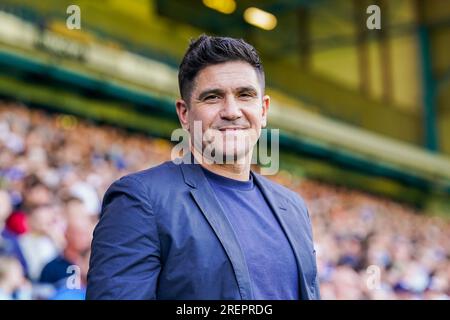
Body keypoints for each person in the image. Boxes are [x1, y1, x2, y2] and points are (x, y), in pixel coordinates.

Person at [87, 35, 320, 300]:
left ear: (263, 110)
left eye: (245, 95)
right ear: (184, 114)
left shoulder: (293, 207)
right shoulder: (140, 200)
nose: (232, 111)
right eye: (212, 97)